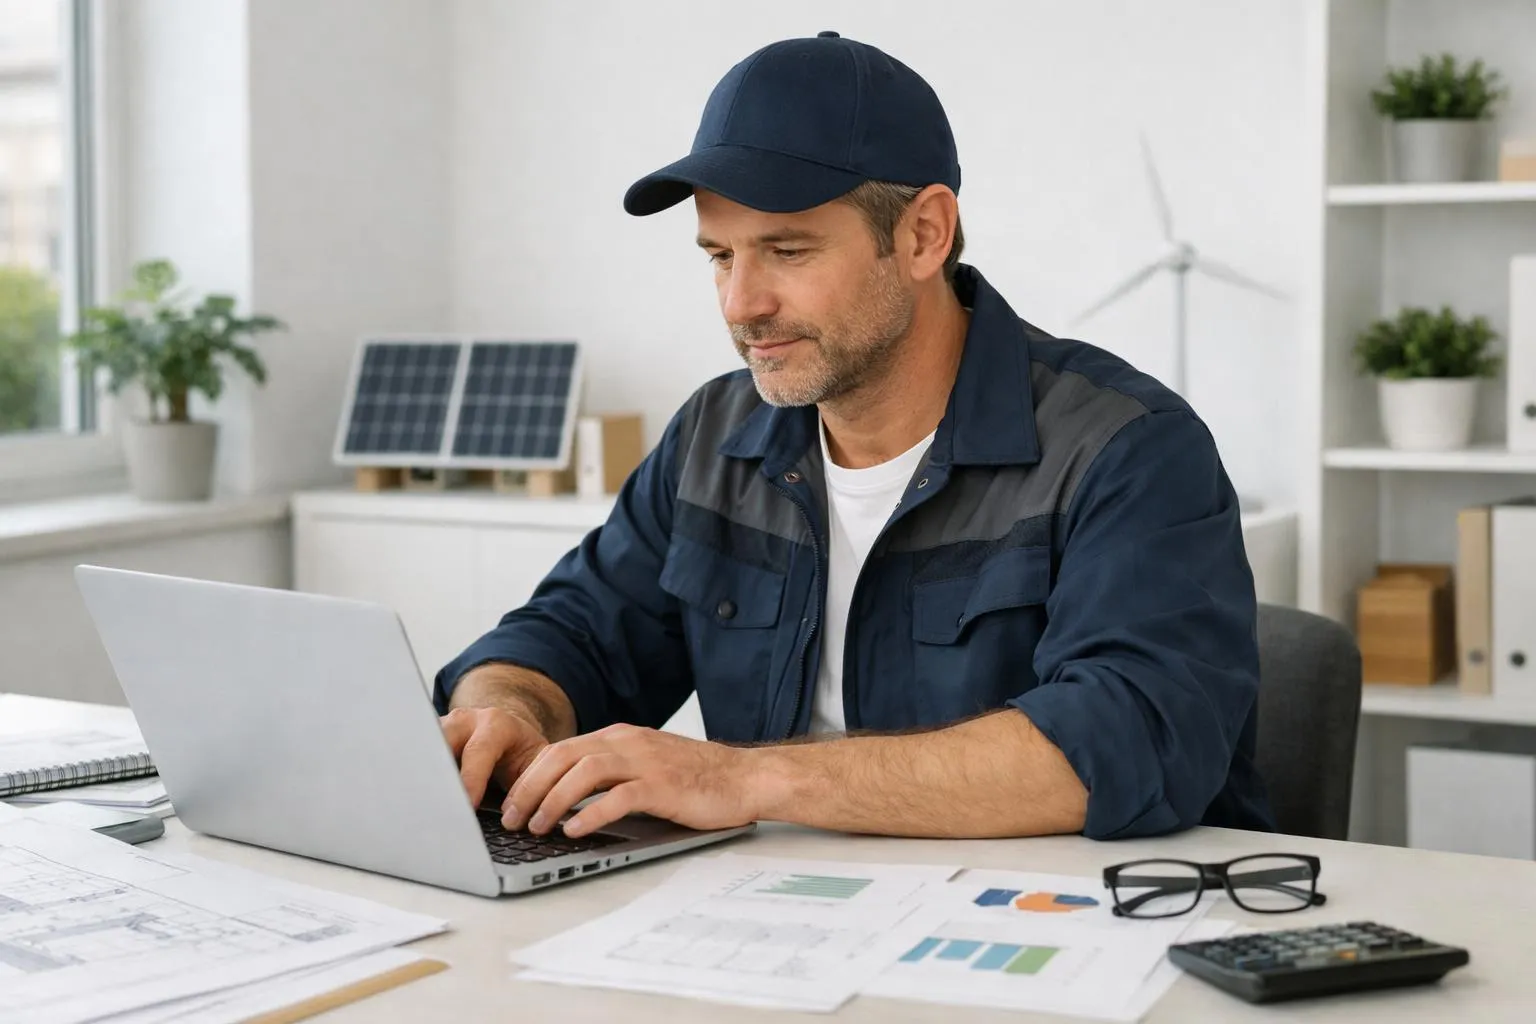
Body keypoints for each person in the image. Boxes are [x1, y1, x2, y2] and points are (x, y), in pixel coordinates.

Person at [434, 30, 1275, 843]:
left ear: (922, 235)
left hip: (1063, 936)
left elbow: (1132, 736)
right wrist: (505, 710)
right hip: (786, 925)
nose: (740, 304)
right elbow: (572, 631)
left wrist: (738, 779)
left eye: (787, 250)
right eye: (721, 256)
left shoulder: (1127, 448)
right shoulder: (714, 437)